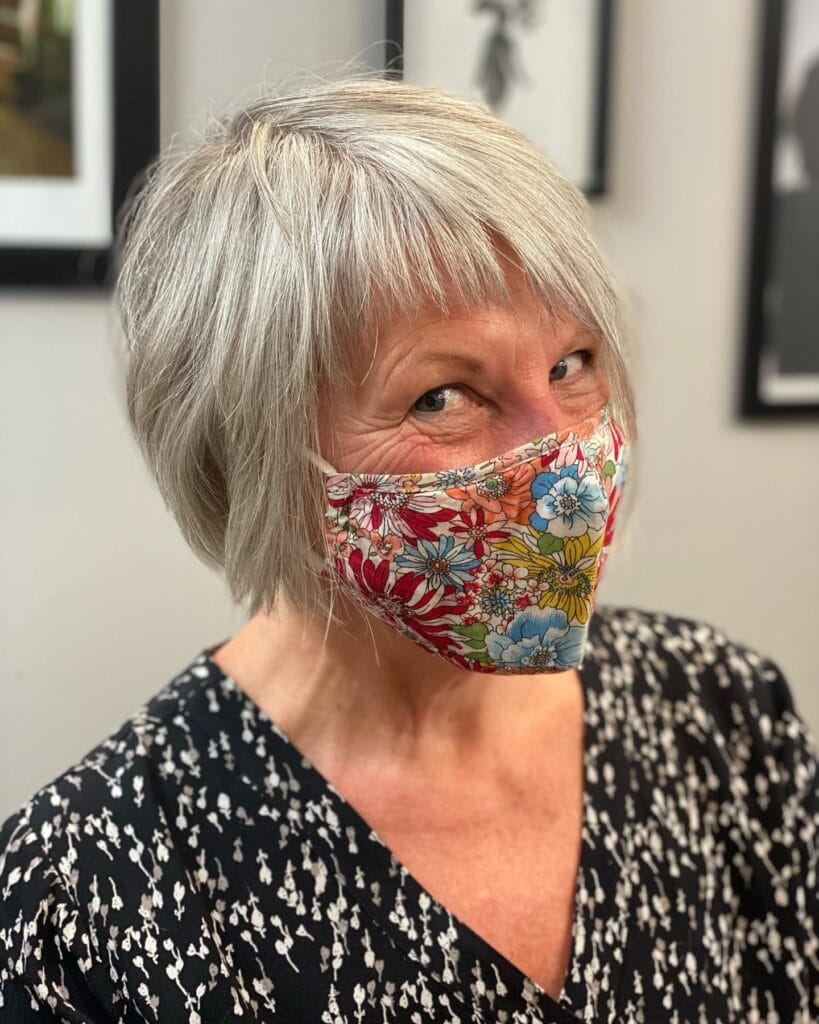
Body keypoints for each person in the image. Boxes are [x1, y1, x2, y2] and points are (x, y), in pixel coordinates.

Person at [0, 75, 816, 1024]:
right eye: (442, 397)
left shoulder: (718, 714)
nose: (561, 460)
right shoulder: (84, 893)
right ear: (244, 447)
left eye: (571, 364)